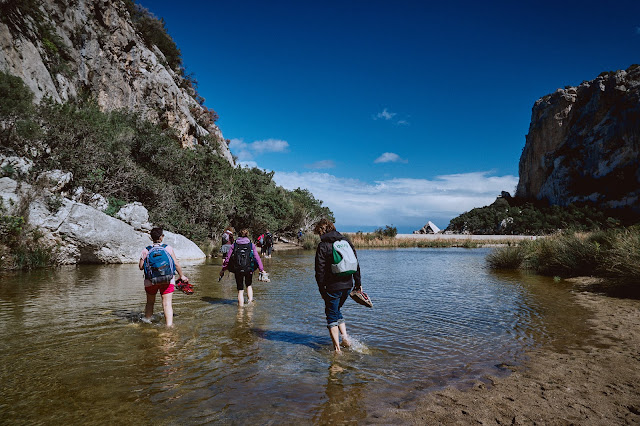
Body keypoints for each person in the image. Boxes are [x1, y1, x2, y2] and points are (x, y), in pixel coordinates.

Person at [314, 218, 362, 352]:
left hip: (332, 287)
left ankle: (337, 349)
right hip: (348, 285)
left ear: (321, 231)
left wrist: (321, 289)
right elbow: (356, 264)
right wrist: (358, 284)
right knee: (336, 310)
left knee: (331, 315)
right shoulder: (346, 242)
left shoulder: (323, 245)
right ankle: (345, 338)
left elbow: (319, 271)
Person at [139, 227, 188, 327]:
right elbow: (176, 264)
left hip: (150, 281)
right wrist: (182, 276)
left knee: (150, 303)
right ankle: (169, 325)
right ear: (162, 237)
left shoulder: (146, 250)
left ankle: (147, 322)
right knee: (167, 304)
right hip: (167, 280)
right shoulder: (167, 248)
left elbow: (140, 267)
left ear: (151, 237)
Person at [220, 228, 266, 307]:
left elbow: (227, 259)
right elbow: (257, 258)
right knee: (248, 285)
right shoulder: (251, 245)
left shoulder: (234, 244)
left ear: (239, 235)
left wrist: (223, 269)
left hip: (237, 269)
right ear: (247, 235)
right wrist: (261, 270)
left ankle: (240, 310)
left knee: (240, 290)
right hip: (249, 268)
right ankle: (250, 304)